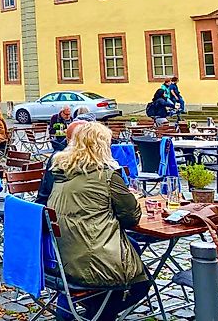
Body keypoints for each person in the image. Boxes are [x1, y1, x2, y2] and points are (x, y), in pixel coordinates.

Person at [47, 122, 150, 321]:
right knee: (141, 284)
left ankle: (90, 312)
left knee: (132, 247)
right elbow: (131, 217)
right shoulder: (107, 176)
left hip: (63, 258)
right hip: (95, 263)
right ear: (102, 146)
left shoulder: (60, 173)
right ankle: (100, 316)